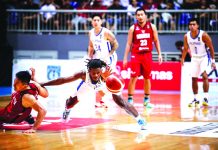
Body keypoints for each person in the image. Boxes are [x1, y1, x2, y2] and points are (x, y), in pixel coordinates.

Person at [41, 59, 147, 130]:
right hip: (88, 85)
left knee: (122, 102)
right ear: (89, 71)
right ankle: (67, 110)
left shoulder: (108, 73)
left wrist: (110, 79)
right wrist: (44, 83)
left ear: (101, 70)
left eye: (98, 72)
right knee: (70, 103)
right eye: (93, 73)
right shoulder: (83, 74)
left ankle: (140, 120)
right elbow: (63, 80)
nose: (96, 75)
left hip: (105, 84)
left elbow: (120, 82)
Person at [123, 8, 162, 107]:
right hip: (136, 55)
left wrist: (160, 54)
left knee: (147, 78)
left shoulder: (152, 27)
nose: (140, 16)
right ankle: (130, 99)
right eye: (138, 15)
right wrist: (125, 58)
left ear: (145, 16)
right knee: (133, 77)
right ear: (136, 16)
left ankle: (146, 100)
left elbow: (156, 41)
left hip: (147, 55)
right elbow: (128, 44)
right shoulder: (133, 28)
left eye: (142, 14)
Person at [181, 18, 216, 107]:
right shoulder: (187, 36)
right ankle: (195, 99)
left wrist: (213, 61)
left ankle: (205, 98)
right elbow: (185, 48)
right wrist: (182, 59)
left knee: (204, 76)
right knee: (194, 78)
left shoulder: (203, 35)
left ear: (197, 26)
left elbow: (211, 48)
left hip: (204, 57)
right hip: (194, 58)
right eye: (190, 25)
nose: (192, 26)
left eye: (194, 24)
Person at [0, 69, 48, 133]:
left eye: (17, 83)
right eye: (15, 81)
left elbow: (43, 110)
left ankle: (25, 115)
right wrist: (35, 79)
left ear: (25, 85)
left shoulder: (27, 97)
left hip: (9, 117)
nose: (14, 84)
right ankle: (27, 116)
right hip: (15, 109)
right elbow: (46, 94)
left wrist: (34, 128)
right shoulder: (35, 85)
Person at [88, 13, 119, 108]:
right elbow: (91, 45)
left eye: (98, 20)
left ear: (101, 22)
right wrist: (89, 57)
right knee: (97, 79)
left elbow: (116, 44)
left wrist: (109, 55)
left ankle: (107, 100)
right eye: (94, 20)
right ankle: (103, 99)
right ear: (92, 22)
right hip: (99, 58)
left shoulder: (106, 32)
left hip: (110, 58)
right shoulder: (91, 32)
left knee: (107, 78)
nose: (96, 22)